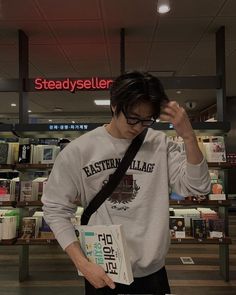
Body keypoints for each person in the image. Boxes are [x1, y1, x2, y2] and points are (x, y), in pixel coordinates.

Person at [42, 71, 211, 294]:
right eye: (132, 117)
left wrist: (189, 137)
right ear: (114, 106)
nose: (138, 126)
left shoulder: (160, 144)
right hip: (101, 270)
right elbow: (55, 209)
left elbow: (198, 186)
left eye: (147, 120)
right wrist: (81, 263)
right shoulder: (79, 151)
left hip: (153, 271)